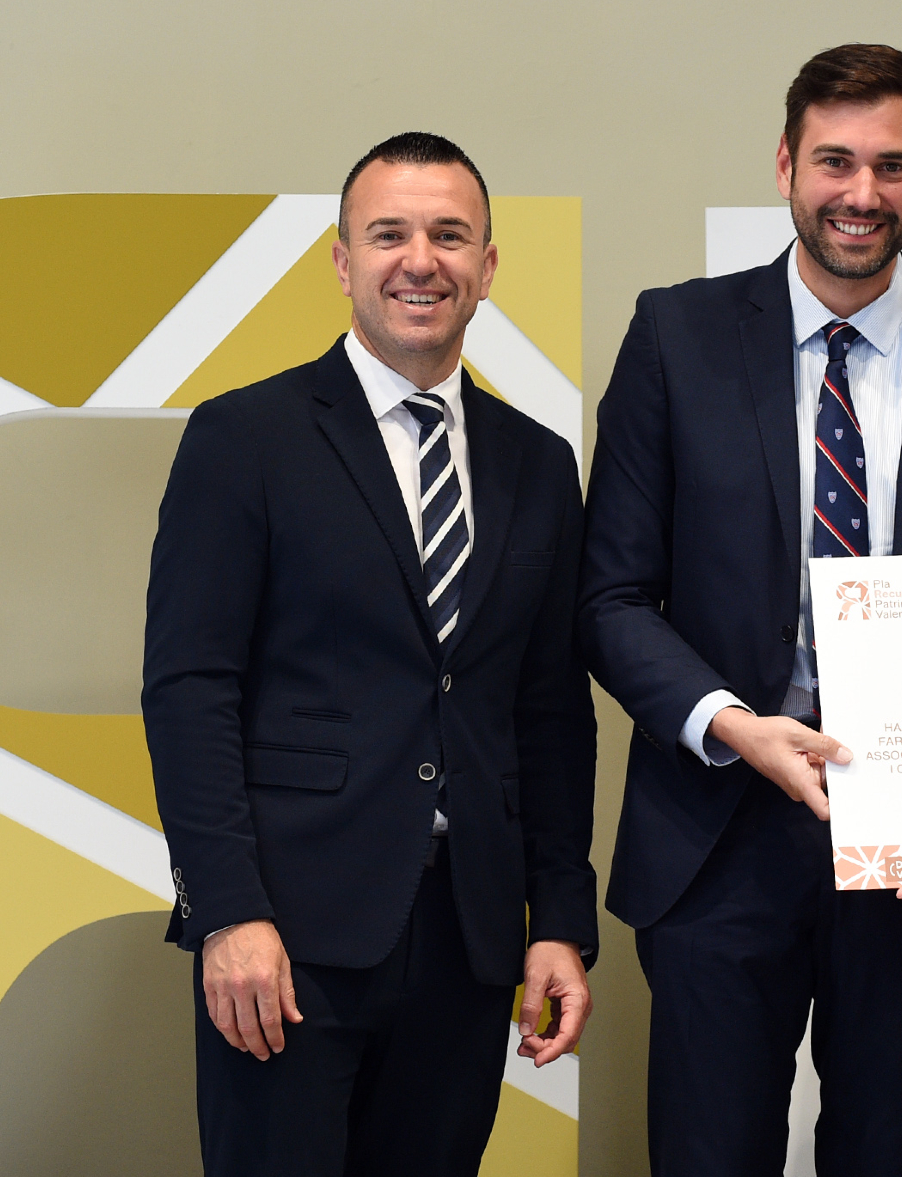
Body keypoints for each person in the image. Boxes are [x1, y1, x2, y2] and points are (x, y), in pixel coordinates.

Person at [578, 44, 902, 1176]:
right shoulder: (676, 336)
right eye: (836, 161)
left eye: (892, 165)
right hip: (720, 827)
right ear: (785, 166)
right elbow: (609, 596)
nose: (863, 192)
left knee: (889, 1154)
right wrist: (732, 723)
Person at [142, 132, 599, 1177]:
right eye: (389, 234)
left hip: (471, 937)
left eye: (450, 235)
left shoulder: (538, 462)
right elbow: (189, 688)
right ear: (343, 262)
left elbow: (550, 713)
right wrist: (228, 911)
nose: (419, 260)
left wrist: (559, 921)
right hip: (288, 935)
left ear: (488, 264)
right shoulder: (243, 436)